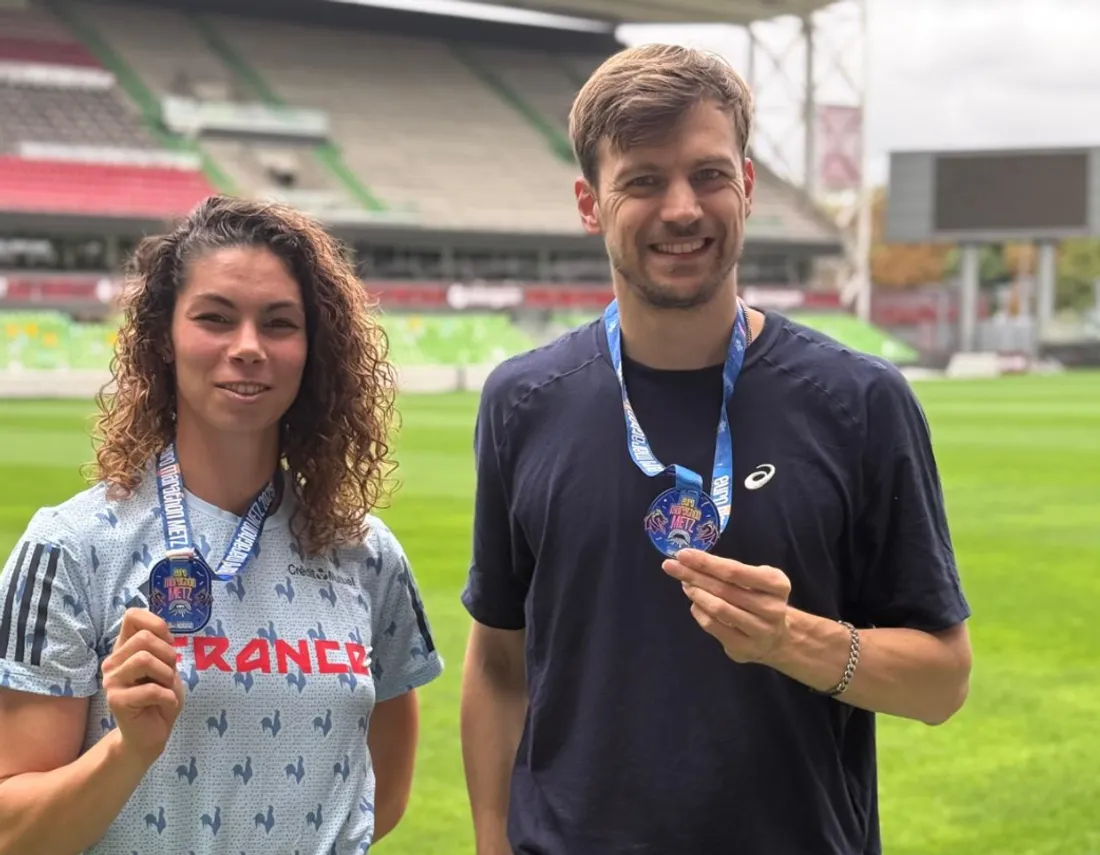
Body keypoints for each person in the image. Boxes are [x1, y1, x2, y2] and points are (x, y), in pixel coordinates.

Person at [459, 43, 972, 855]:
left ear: (748, 186)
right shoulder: (522, 402)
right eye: (643, 181)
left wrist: (789, 639)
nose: (682, 208)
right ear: (590, 204)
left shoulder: (861, 401)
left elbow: (942, 680)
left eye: (708, 174)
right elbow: (497, 662)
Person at [0, 196, 443, 855]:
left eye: (279, 323)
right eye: (215, 318)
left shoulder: (366, 554)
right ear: (164, 337)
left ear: (312, 348)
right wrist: (128, 748)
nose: (248, 348)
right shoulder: (71, 548)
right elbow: (13, 832)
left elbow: (382, 796)